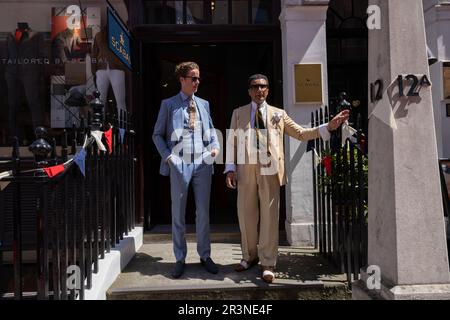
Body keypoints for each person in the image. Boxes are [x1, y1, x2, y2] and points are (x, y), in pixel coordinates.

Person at [225, 74, 349, 283]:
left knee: (270, 217)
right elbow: (231, 142)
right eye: (255, 87)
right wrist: (229, 169)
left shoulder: (278, 114)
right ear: (249, 91)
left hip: (271, 169)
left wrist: (328, 127)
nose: (259, 90)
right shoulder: (239, 113)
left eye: (263, 86)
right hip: (246, 169)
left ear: (268, 90)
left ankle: (267, 262)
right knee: (246, 215)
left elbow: (301, 133)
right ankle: (249, 256)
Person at [153, 62, 220, 278]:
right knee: (178, 213)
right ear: (181, 79)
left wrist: (215, 147)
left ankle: (204, 255)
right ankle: (180, 258)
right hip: (179, 162)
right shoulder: (169, 104)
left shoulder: (204, 103)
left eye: (198, 78)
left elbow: (209, 129)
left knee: (203, 212)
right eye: (193, 78)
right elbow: (157, 135)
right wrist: (169, 156)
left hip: (202, 161)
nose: (197, 82)